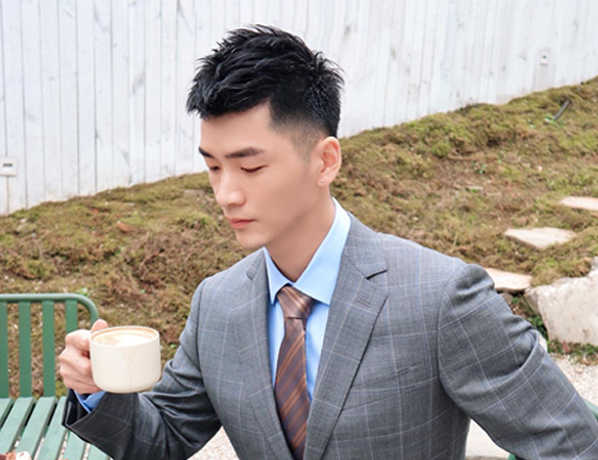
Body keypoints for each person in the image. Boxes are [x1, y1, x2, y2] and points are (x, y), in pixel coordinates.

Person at [59, 25, 598, 460]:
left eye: (250, 166)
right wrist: (95, 389)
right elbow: (164, 439)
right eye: (214, 167)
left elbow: (569, 442)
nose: (226, 194)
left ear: (325, 161)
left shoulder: (440, 298)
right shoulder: (218, 304)